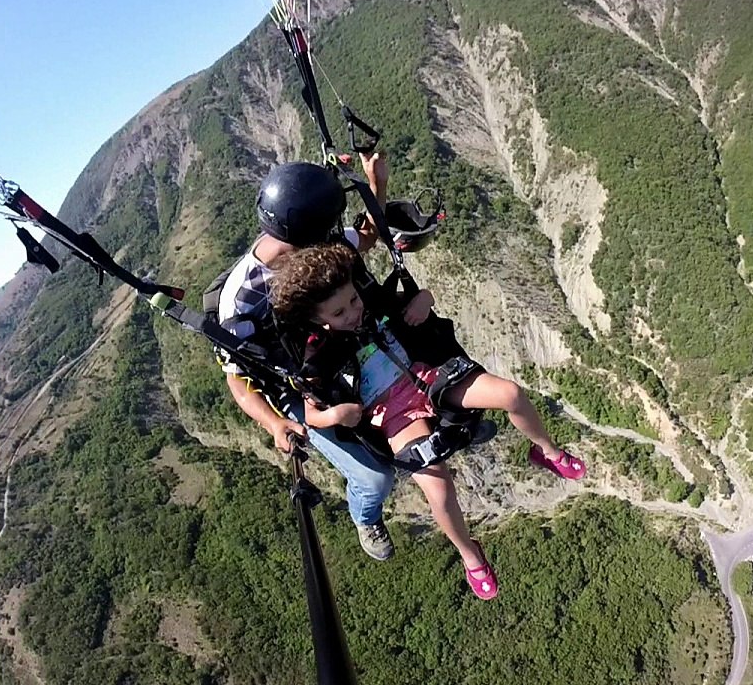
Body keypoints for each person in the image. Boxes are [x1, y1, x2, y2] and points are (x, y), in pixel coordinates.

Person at [268, 241, 586, 600]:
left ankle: (547, 452)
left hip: (428, 379)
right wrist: (336, 415)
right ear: (317, 319)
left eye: (353, 301)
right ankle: (471, 556)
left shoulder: (373, 305)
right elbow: (313, 413)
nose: (353, 313)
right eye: (339, 313)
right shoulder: (318, 357)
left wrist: (425, 299)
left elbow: (419, 299)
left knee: (510, 394)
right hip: (394, 415)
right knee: (437, 487)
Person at [215, 156, 400, 562]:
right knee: (375, 478)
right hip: (294, 384)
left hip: (338, 351)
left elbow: (365, 238)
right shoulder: (242, 300)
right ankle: (365, 514)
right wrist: (277, 423)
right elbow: (237, 377)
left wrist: (376, 185)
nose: (333, 235)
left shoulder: (314, 247)